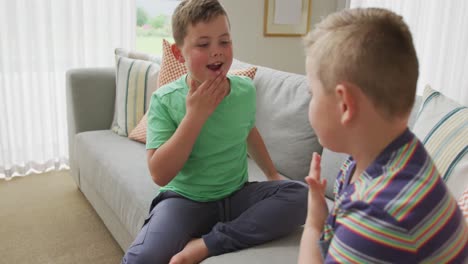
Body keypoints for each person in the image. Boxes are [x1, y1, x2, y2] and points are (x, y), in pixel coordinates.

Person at [121, 0, 308, 263]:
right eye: (203, 44)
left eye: (224, 41)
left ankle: (208, 243)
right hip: (185, 201)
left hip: (237, 195)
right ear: (178, 53)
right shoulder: (164, 99)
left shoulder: (244, 90)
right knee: (141, 259)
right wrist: (195, 116)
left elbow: (249, 131)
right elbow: (159, 173)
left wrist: (272, 174)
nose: (217, 52)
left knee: (301, 196)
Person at [298, 7, 468, 263]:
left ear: (345, 105)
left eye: (312, 93)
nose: (309, 101)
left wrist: (313, 224)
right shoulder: (396, 154)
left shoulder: (379, 217)